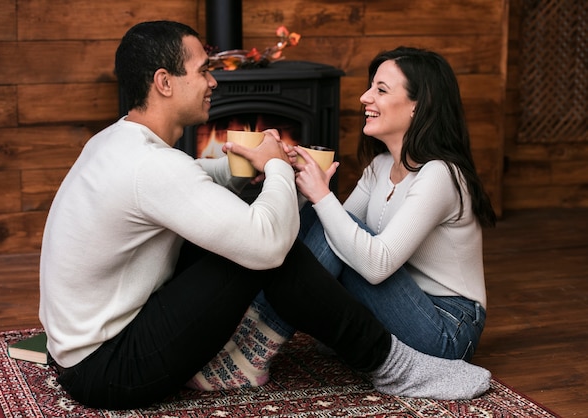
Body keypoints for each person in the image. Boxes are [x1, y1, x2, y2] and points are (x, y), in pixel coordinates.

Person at [38, 22, 491, 410]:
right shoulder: (152, 167)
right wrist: (274, 166)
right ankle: (392, 367)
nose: (214, 81)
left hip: (85, 356)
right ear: (164, 81)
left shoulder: (120, 144)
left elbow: (193, 178)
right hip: (111, 371)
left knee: (254, 232)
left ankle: (256, 343)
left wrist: (256, 162)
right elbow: (268, 244)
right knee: (262, 248)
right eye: (204, 71)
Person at [289, 46, 497, 361]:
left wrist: (321, 195)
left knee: (337, 221)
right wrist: (300, 185)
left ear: (418, 106)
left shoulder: (440, 174)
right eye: (371, 86)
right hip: (402, 304)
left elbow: (377, 266)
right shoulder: (381, 165)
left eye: (381, 90)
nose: (364, 97)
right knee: (318, 220)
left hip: (448, 328)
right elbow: (331, 240)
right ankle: (258, 327)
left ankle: (262, 334)